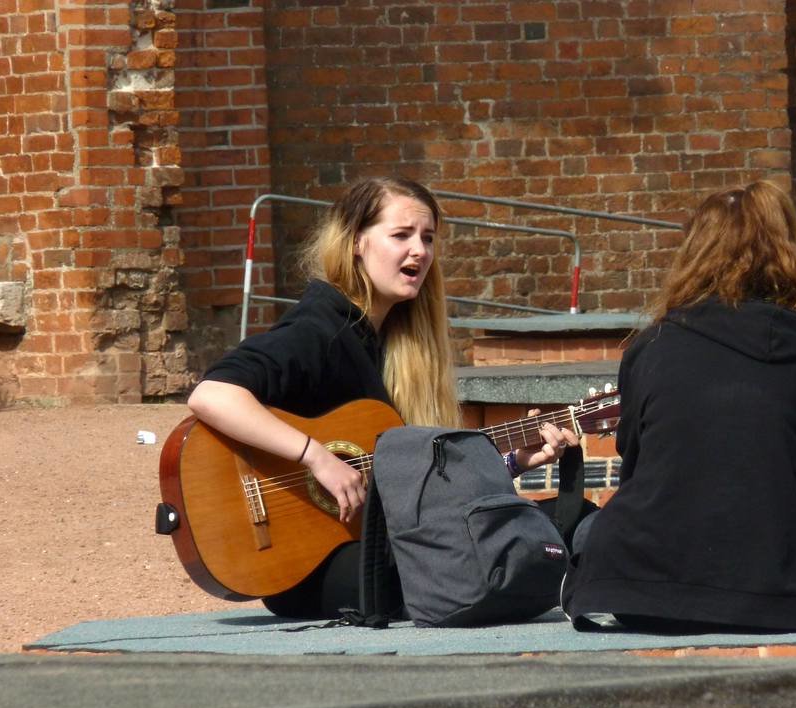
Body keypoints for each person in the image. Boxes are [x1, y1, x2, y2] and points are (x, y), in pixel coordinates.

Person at [188, 176, 578, 619]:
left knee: (551, 530)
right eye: (401, 235)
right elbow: (213, 394)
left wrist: (507, 464)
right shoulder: (320, 330)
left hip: (364, 548)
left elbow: (409, 482)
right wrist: (317, 457)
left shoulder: (391, 342)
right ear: (356, 243)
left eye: (428, 238)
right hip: (312, 567)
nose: (420, 251)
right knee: (486, 565)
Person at [561, 180, 796, 634]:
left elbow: (635, 469)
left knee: (590, 533)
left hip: (648, 593)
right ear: (790, 253)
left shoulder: (651, 346)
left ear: (694, 255)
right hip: (783, 592)